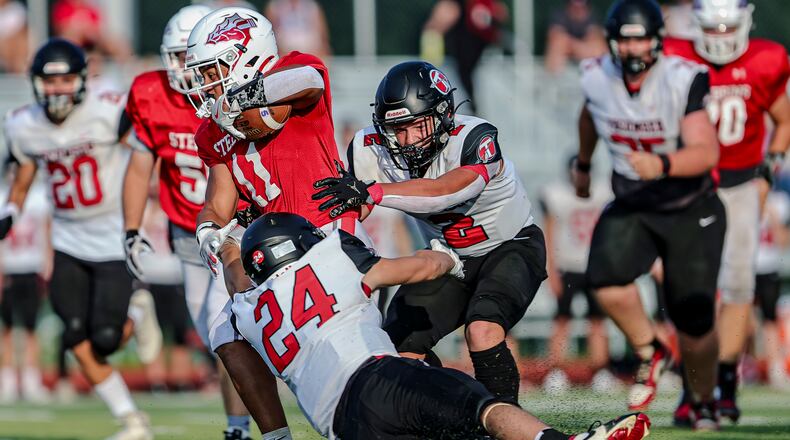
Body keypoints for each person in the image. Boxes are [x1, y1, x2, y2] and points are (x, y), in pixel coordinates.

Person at [223, 211, 651, 440]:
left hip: (339, 426)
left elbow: (233, 352)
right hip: (376, 377)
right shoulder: (329, 256)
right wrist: (449, 259)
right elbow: (418, 268)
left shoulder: (243, 314)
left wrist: (277, 435)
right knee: (480, 407)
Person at [183, 7, 371, 439]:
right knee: (226, 333)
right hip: (278, 254)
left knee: (342, 367)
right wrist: (209, 230)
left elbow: (309, 82)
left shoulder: (294, 71)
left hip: (327, 238)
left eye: (213, 70)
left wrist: (244, 98)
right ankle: (275, 436)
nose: (206, 83)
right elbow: (219, 199)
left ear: (244, 55)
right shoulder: (212, 132)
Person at [313, 60, 545, 405]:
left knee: (482, 330)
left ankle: (508, 424)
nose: (408, 140)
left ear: (443, 115)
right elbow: (351, 214)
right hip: (448, 257)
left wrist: (375, 192)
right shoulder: (369, 148)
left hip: (510, 246)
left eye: (417, 126)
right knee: (397, 348)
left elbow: (444, 191)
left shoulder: (475, 138)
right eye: (398, 130)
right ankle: (447, 418)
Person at [121, 6, 289, 439]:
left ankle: (242, 427)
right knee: (213, 334)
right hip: (186, 230)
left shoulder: (241, 99)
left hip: (233, 230)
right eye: (177, 58)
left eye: (192, 59)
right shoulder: (151, 95)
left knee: (228, 327)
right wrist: (132, 228)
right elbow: (139, 166)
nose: (186, 71)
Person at [574, 0, 724, 430]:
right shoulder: (596, 76)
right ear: (612, 42)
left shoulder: (683, 78)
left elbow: (706, 151)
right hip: (634, 200)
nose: (632, 47)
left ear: (657, 40)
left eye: (640, 37)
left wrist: (663, 165)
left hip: (686, 203)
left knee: (693, 317)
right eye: (624, 38)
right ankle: (649, 349)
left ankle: (702, 397)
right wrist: (584, 164)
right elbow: (589, 113)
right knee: (604, 281)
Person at [0, 38, 159, 439]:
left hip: (110, 234)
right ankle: (131, 420)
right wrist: (11, 211)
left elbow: (143, 152)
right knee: (74, 336)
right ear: (36, 83)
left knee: (104, 341)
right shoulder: (23, 124)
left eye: (66, 80)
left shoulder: (107, 110)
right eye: (50, 82)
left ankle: (138, 311)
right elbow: (23, 173)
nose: (57, 90)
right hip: (68, 238)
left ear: (82, 80)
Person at [663, 0, 790, 424]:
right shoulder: (675, 54)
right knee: (689, 291)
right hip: (689, 186)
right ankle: (693, 387)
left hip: (738, 185)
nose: (719, 38)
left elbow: (783, 120)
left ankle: (727, 386)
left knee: (737, 286)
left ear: (744, 23)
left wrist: (767, 175)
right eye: (710, 30)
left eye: (727, 29)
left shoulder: (767, 58)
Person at [540, 155, 613, 390]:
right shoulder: (558, 195)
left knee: (598, 320)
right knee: (562, 320)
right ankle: (556, 371)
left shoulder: (603, 192)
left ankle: (601, 370)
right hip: (568, 265)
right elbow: (549, 231)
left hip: (595, 265)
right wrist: (551, 270)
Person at [0, 177, 51, 404]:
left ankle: (31, 380)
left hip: (32, 268)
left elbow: (46, 232)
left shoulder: (39, 195)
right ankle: (8, 380)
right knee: (8, 329)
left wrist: (47, 264)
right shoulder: (2, 196)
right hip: (9, 267)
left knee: (31, 328)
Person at [421, 0, 507, 114]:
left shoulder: (480, 5)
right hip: (463, 50)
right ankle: (471, 107)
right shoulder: (460, 6)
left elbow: (500, 13)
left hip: (473, 48)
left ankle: (472, 107)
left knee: (464, 74)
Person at [754, 190, 790, 390]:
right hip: (743, 267)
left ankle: (775, 369)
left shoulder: (779, 201)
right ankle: (736, 368)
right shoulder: (742, 196)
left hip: (769, 267)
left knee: (770, 320)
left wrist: (773, 218)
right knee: (741, 320)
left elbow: (784, 240)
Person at [544, 0, 608, 74]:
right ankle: (554, 81)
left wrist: (571, 47)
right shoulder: (559, 15)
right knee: (558, 45)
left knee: (598, 48)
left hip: (588, 72)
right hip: (561, 72)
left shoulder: (594, 16)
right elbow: (555, 38)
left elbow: (598, 49)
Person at [265, 0, 331, 59]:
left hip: (312, 49)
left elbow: (322, 32)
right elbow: (270, 31)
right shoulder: (275, 6)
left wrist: (324, 47)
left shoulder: (312, 6)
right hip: (285, 49)